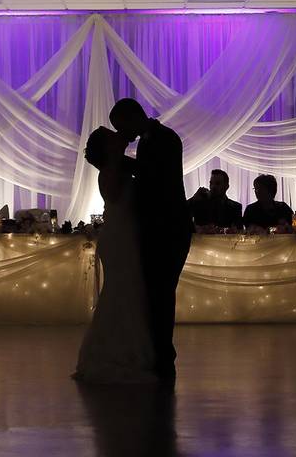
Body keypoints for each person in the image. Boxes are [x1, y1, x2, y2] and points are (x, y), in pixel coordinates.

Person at [109, 98, 192, 382]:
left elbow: (156, 180)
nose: (123, 134)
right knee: (157, 294)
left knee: (161, 292)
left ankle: (162, 357)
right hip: (161, 228)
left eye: (122, 127)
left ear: (133, 117)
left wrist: (117, 162)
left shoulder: (163, 139)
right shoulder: (151, 140)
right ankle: (159, 354)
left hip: (168, 228)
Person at [73, 127, 157, 384]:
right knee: (122, 293)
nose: (117, 135)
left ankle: (116, 349)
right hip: (122, 238)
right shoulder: (113, 171)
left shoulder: (117, 167)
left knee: (122, 294)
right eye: (112, 136)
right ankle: (119, 354)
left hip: (121, 236)